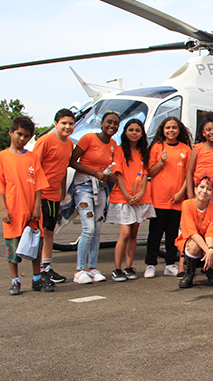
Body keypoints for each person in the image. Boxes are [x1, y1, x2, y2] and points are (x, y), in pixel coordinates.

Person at [0, 116, 50, 295]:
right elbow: (0, 185)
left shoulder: (32, 157)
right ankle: (15, 280)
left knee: (35, 245)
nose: (22, 139)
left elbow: (38, 184)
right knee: (12, 247)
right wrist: (4, 208)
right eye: (19, 134)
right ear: (11, 132)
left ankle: (36, 278)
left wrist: (36, 207)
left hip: (31, 210)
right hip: (12, 209)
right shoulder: (1, 157)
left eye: (26, 136)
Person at [68, 111, 119, 284]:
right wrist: (94, 173)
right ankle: (79, 270)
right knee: (88, 228)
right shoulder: (88, 139)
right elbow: (72, 161)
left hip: (101, 188)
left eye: (115, 123)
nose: (112, 126)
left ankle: (92, 268)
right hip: (84, 186)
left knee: (97, 229)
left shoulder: (113, 144)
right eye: (109, 122)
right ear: (102, 123)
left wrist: (108, 176)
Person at [106, 119, 155, 282]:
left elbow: (146, 174)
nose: (134, 133)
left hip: (140, 197)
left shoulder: (144, 152)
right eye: (131, 130)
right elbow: (118, 174)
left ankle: (129, 266)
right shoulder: (119, 150)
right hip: (123, 197)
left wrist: (141, 193)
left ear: (142, 134)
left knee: (134, 233)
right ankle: (117, 268)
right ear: (125, 132)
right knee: (125, 233)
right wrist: (127, 195)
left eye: (137, 130)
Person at [144, 117, 192, 278]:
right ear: (162, 130)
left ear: (179, 130)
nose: (170, 130)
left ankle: (170, 263)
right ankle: (150, 264)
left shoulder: (186, 149)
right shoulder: (157, 147)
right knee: (155, 233)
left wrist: (181, 193)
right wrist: (161, 162)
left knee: (172, 233)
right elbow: (150, 172)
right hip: (159, 198)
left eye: (174, 127)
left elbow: (188, 175)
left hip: (177, 199)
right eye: (167, 128)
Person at [32, 108, 75, 284]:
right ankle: (40, 271)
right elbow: (33, 167)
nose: (67, 127)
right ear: (55, 124)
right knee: (42, 232)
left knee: (50, 231)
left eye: (71, 124)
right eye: (63, 123)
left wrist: (63, 191)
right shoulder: (45, 141)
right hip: (41, 194)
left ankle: (46, 267)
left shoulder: (69, 144)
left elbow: (63, 168)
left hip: (55, 195)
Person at [176, 175, 213, 288]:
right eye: (201, 187)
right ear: (195, 189)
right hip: (192, 240)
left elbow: (210, 233)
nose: (204, 191)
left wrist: (211, 249)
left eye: (209, 189)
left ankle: (210, 273)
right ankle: (189, 274)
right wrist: (208, 251)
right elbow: (192, 233)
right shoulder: (186, 204)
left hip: (208, 240)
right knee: (194, 246)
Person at [186, 112, 213, 201]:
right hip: (199, 189)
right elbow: (189, 172)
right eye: (208, 129)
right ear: (203, 133)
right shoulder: (197, 148)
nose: (212, 132)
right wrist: (190, 194)